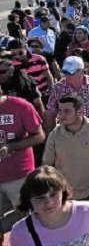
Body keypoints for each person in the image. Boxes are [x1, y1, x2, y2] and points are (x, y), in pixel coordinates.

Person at [42, 93, 89, 211]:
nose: (61, 116)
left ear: (80, 111)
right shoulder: (54, 135)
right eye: (60, 111)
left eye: (67, 111)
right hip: (66, 196)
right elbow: (47, 166)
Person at [9, 166, 89, 246]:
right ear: (28, 199)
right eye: (40, 198)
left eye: (53, 195)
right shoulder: (21, 231)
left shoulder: (88, 212)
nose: (48, 202)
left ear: (63, 192)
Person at [0, 92, 45, 241]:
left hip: (19, 175)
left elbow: (39, 135)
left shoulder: (20, 106)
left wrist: (12, 147)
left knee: (27, 219)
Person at [46, 57, 89, 137]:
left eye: (71, 72)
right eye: (65, 72)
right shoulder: (58, 88)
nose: (67, 75)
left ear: (82, 71)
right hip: (69, 135)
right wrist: (51, 135)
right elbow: (51, 113)